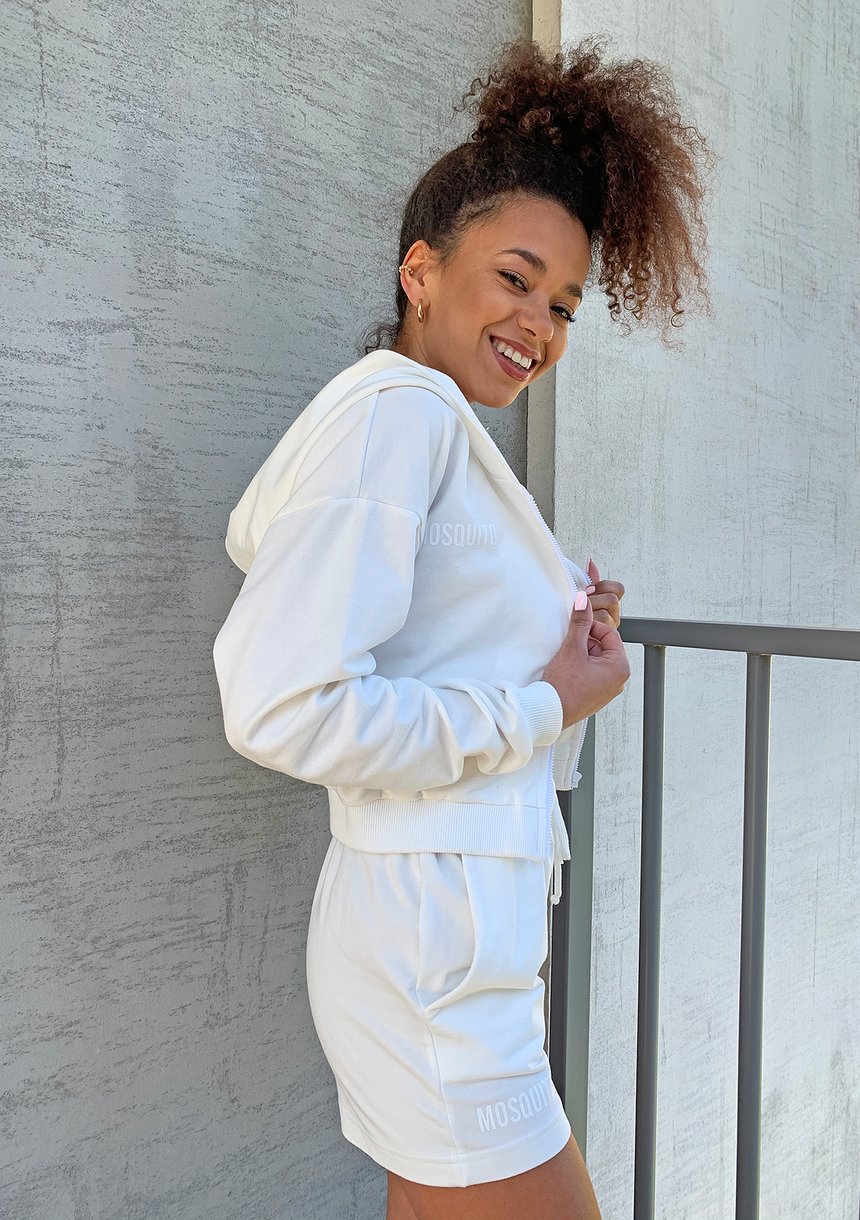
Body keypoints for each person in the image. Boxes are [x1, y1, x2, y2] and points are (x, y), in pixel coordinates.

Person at [212, 34, 712, 1219]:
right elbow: (282, 704)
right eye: (514, 278)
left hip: (449, 941)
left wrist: (558, 651)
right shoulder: (397, 419)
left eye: (563, 304)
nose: (538, 322)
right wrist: (544, 701)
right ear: (421, 270)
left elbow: (436, 668)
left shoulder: (432, 432)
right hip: (431, 954)